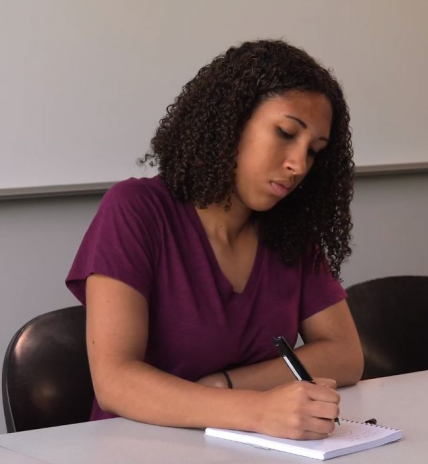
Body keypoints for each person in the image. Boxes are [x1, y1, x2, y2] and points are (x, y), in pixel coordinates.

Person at [66, 39, 364, 441]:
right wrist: (257, 409)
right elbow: (115, 381)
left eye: (314, 151)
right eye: (285, 133)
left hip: (247, 448)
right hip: (138, 446)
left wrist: (225, 385)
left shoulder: (290, 230)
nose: (297, 165)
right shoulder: (136, 209)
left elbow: (345, 354)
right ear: (230, 122)